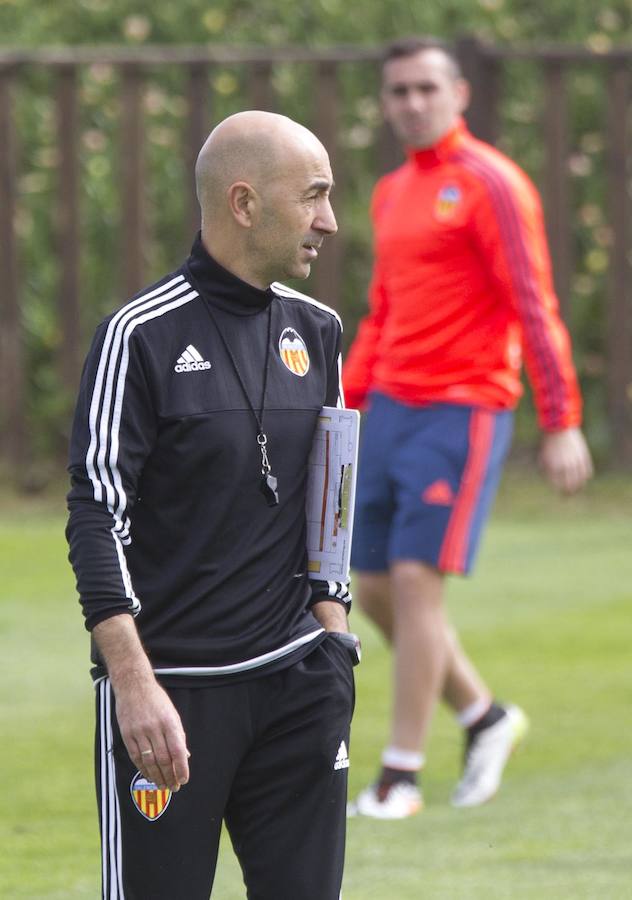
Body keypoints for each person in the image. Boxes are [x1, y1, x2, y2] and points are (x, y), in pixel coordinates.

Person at [66, 110, 361, 898]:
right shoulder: (138, 336)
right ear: (243, 203)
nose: (329, 221)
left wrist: (333, 638)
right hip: (172, 698)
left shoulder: (320, 331)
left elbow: (331, 496)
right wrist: (132, 682)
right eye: (313, 197)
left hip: (300, 685)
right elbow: (96, 513)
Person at [343, 38, 593, 819]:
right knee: (373, 586)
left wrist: (561, 422)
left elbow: (534, 301)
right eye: (398, 92)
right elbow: (383, 311)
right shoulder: (390, 193)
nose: (411, 103)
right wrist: (345, 410)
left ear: (459, 94)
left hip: (463, 406)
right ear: (385, 104)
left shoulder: (493, 183)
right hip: (389, 406)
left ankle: (400, 777)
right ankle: (484, 716)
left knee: (418, 582)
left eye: (425, 88)